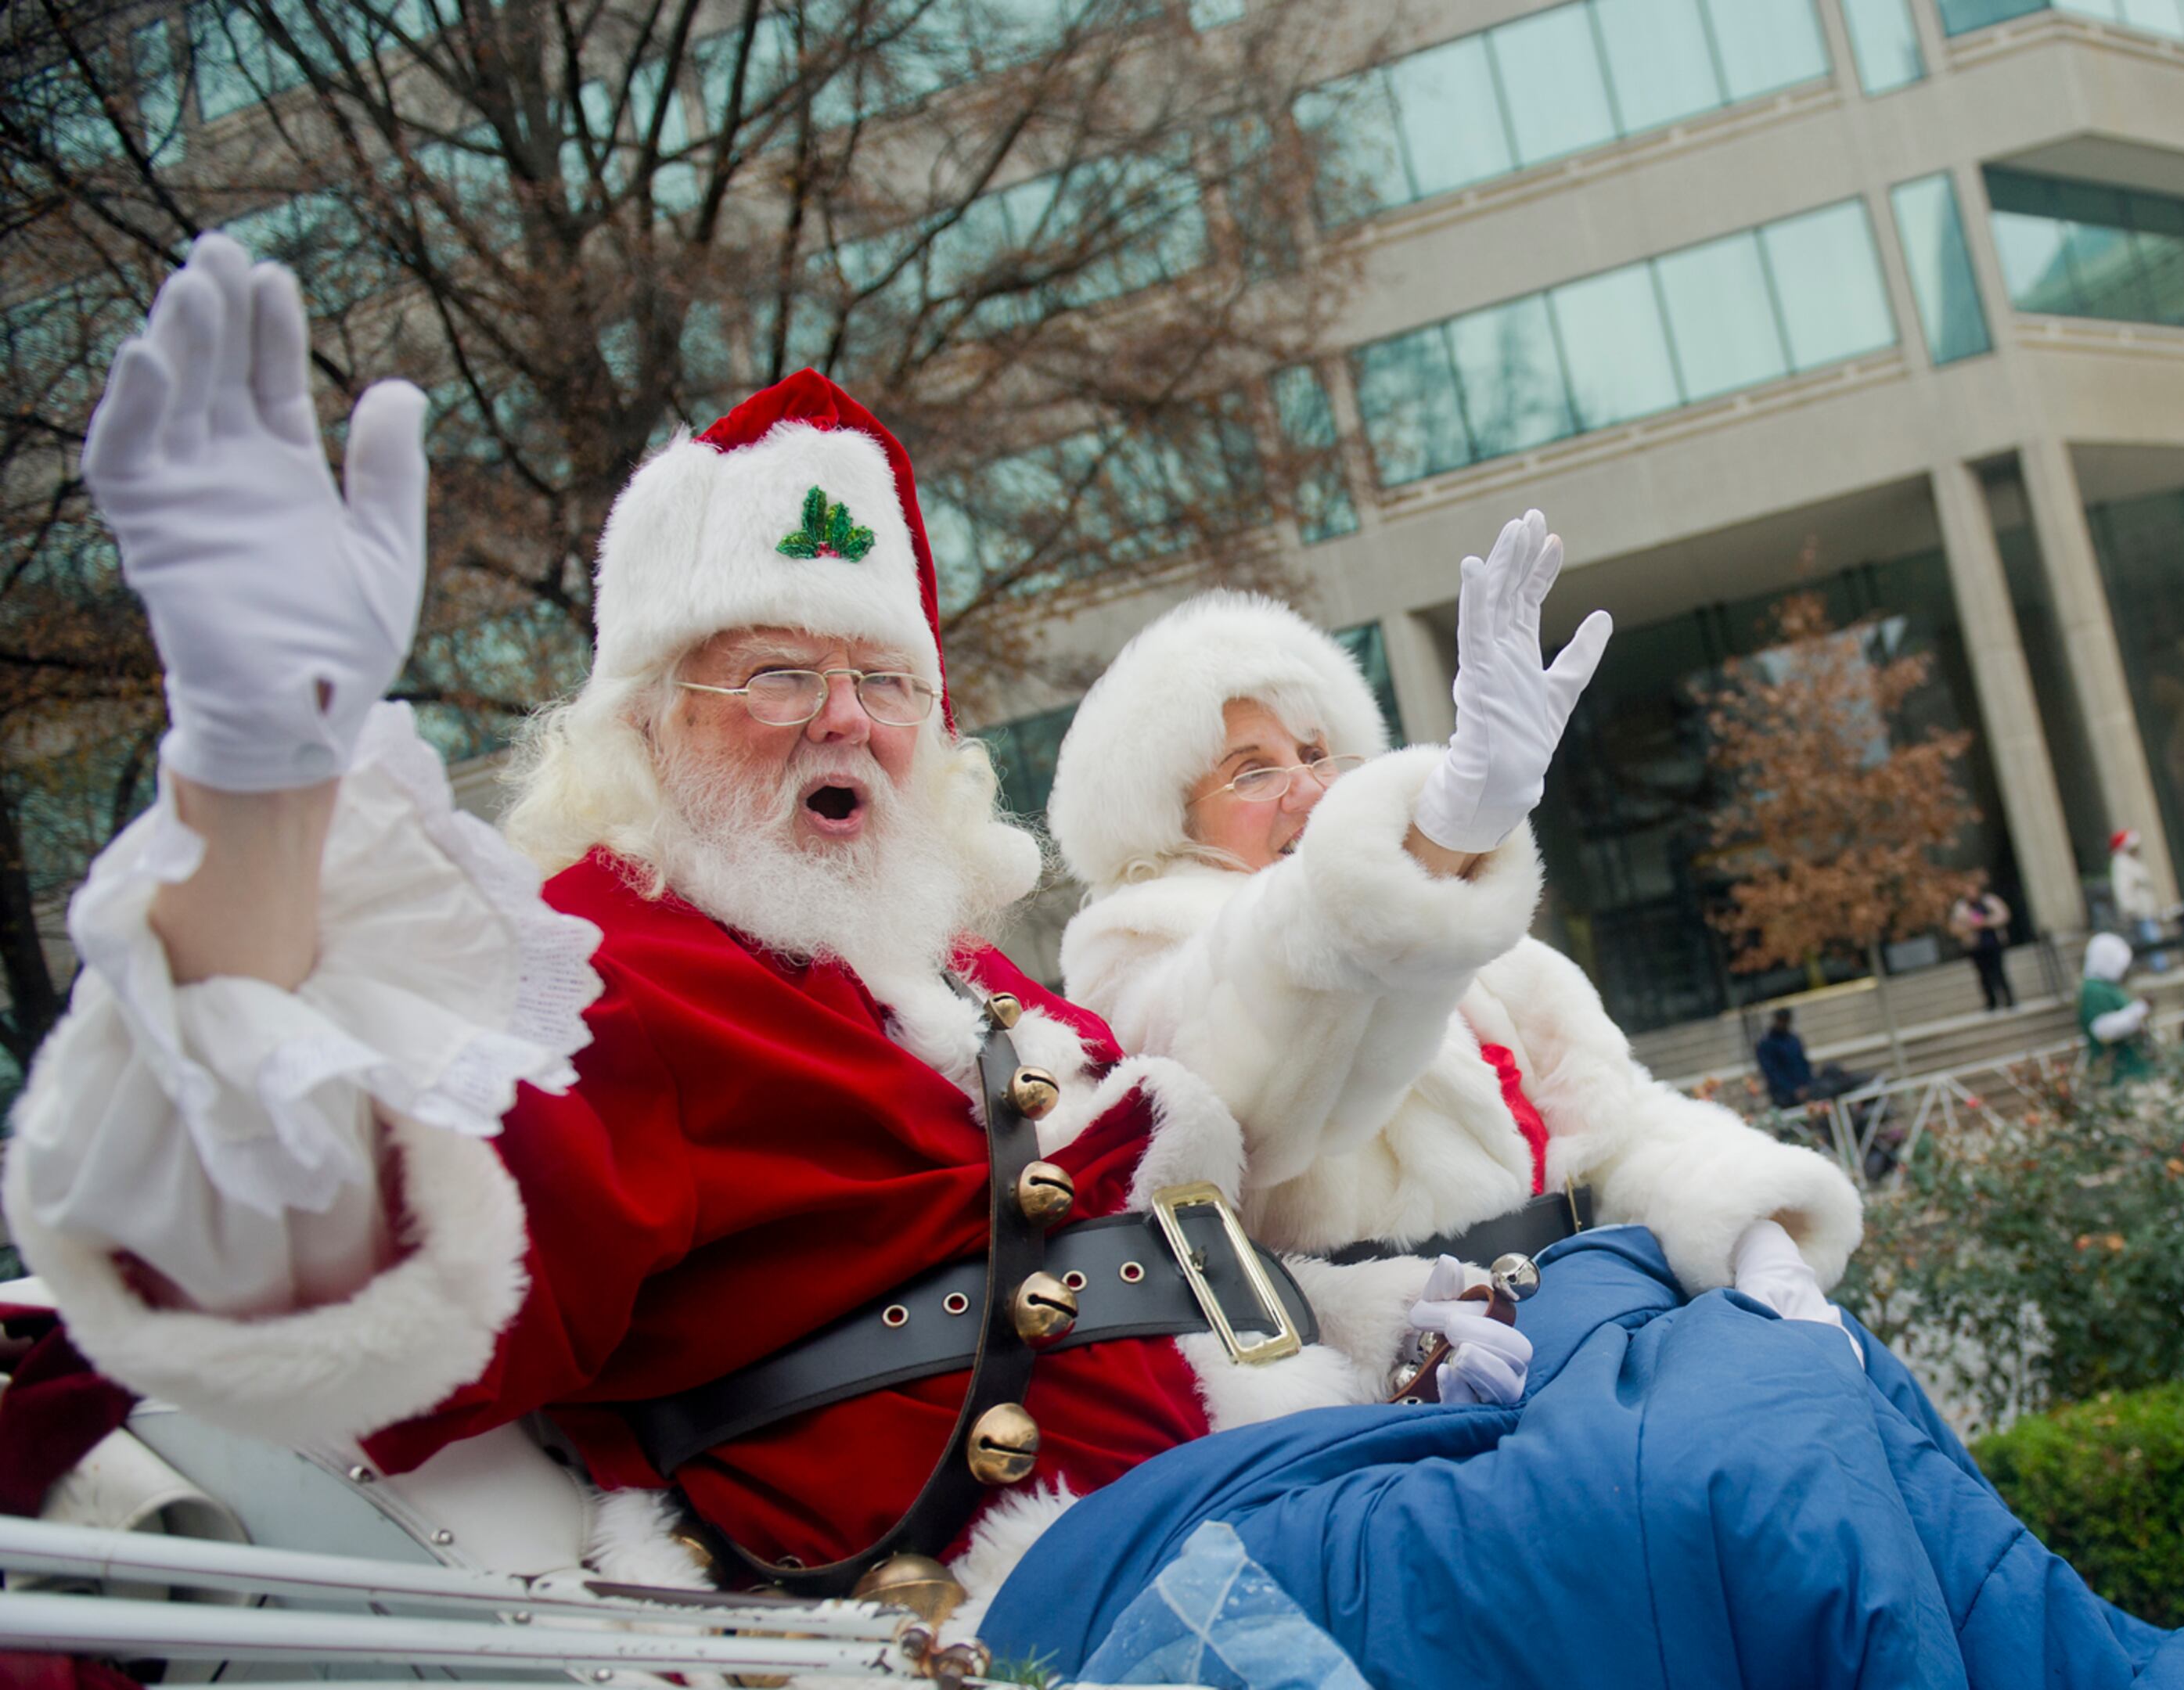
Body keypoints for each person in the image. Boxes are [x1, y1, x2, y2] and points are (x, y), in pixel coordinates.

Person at [0, 238, 1506, 1621]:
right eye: (778, 674)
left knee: (1663, 1361)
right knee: (1678, 1516)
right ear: (648, 724)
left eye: (887, 680)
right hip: (1077, 1607)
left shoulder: (952, 978)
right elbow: (329, 1269)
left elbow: (1155, 1259)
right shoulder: (599, 974)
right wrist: (256, 789)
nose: (846, 717)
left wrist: (1385, 1320)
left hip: (1296, 1476)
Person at [1044, 573, 1863, 1326]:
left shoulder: (1452, 928)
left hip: (1590, 1302)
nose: (1311, 787)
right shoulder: (1140, 949)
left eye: (1317, 752)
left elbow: (1612, 1123)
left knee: (1848, 1394)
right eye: (1252, 771)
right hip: (1424, 1369)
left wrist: (1751, 1228)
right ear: (1170, 821)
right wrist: (1434, 843)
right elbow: (1257, 1081)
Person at [2075, 932, 2153, 1081]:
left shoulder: (2109, 986)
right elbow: (2104, 1030)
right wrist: (2139, 1009)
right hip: (2119, 1075)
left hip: (2136, 1067)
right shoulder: (2093, 991)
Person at [1948, 877, 2017, 1010]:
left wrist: (1986, 922)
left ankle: (2009, 999)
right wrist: (1971, 926)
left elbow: (2003, 915)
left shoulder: (1989, 901)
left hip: (1993, 942)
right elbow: (1955, 927)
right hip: (1975, 945)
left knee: (1999, 972)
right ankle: (1991, 1002)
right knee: (1983, 975)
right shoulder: (1961, 907)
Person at [2107, 827, 2164, 970]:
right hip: (2139, 910)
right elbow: (2123, 888)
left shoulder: (2134, 861)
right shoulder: (2121, 863)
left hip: (2147, 908)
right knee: (2150, 939)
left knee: (2152, 938)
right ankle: (2159, 967)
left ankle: (2158, 965)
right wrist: (2129, 907)